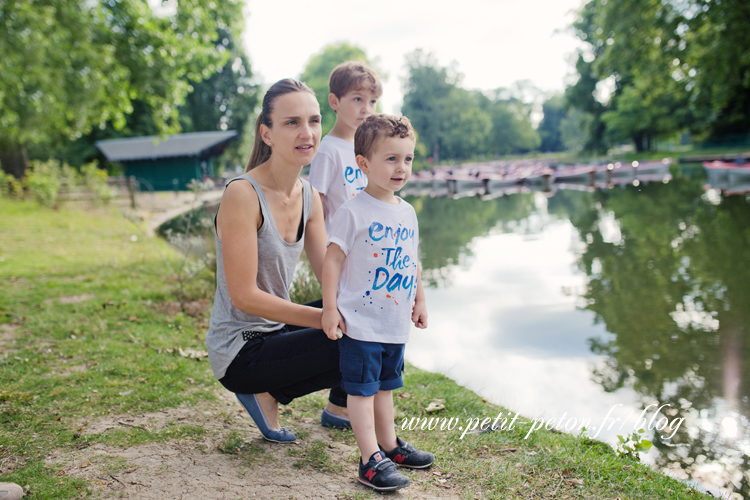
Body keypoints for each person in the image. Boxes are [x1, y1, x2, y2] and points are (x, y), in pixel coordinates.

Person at [205, 78, 349, 444]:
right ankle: (260, 389)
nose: (308, 133)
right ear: (266, 133)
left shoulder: (310, 196)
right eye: (292, 122)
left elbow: (328, 276)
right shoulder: (242, 194)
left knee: (361, 313)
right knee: (349, 336)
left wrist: (385, 292)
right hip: (241, 348)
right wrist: (322, 319)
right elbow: (245, 297)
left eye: (314, 121)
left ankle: (339, 408)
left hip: (276, 333)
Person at [321, 114, 434, 491]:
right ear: (364, 163)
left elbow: (411, 260)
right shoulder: (352, 212)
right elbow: (333, 260)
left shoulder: (407, 212)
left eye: (408, 158)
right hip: (360, 322)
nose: (401, 168)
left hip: (394, 323)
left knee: (386, 386)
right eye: (391, 159)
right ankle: (369, 459)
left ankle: (389, 446)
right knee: (362, 390)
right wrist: (329, 307)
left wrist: (419, 299)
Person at [309, 61, 382, 233]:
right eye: (358, 99)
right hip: (338, 247)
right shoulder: (328, 150)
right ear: (335, 102)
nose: (366, 109)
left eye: (372, 101)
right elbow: (315, 207)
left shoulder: (370, 147)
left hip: (367, 242)